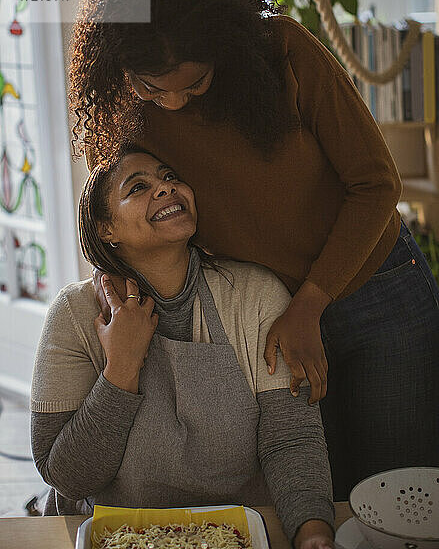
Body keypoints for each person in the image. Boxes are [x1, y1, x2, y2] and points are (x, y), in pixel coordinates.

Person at [68, 0, 439, 501]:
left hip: (378, 293)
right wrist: (113, 275)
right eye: (153, 87)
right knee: (321, 493)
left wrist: (309, 305)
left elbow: (376, 184)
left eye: (194, 86)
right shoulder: (127, 102)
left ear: (225, 48)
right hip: (270, 315)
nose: (171, 103)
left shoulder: (282, 51)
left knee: (399, 495)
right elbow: (115, 209)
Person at [31, 143, 335, 549]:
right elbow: (66, 476)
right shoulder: (72, 315)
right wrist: (120, 370)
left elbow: (291, 439)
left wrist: (313, 533)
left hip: (236, 535)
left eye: (170, 177)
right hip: (115, 537)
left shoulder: (255, 294)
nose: (165, 188)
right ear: (107, 229)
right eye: (138, 187)